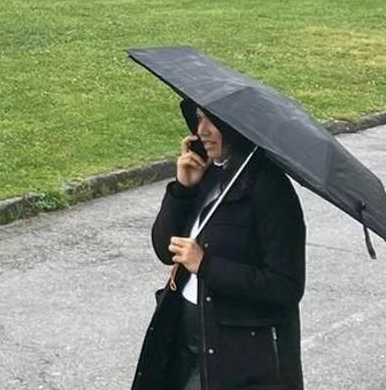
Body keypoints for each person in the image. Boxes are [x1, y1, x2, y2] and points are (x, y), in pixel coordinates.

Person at [131, 100, 306, 389]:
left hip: (237, 357)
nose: (202, 131)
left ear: (236, 127)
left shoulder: (271, 190)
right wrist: (182, 190)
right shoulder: (210, 175)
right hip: (183, 340)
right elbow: (165, 250)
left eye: (212, 122)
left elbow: (286, 287)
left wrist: (207, 265)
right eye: (198, 120)